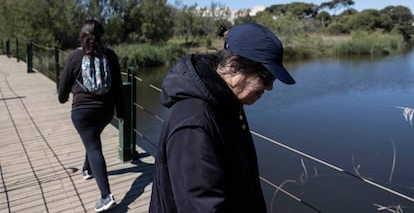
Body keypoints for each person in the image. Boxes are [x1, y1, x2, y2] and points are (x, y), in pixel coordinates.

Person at [149, 22, 295, 212]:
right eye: (266, 77)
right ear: (234, 66)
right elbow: (201, 205)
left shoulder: (228, 102)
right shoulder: (194, 124)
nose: (269, 87)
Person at [58, 19, 125, 212]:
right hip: (105, 112)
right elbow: (119, 88)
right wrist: (121, 112)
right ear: (102, 36)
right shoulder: (110, 55)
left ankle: (106, 196)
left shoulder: (75, 57)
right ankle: (87, 169)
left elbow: (63, 85)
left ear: (81, 36)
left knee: (93, 146)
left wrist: (63, 98)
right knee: (93, 140)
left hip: (82, 112)